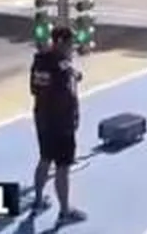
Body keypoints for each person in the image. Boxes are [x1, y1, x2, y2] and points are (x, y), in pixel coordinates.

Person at [30, 26, 86, 225]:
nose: (72, 48)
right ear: (61, 42)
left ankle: (38, 201)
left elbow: (34, 88)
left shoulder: (40, 61)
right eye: (70, 44)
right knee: (62, 166)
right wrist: (73, 116)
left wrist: (72, 73)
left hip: (42, 117)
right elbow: (67, 94)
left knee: (45, 158)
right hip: (61, 122)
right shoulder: (62, 65)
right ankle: (64, 211)